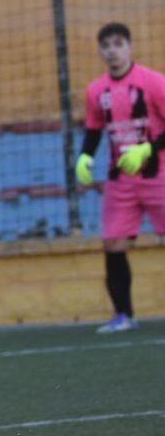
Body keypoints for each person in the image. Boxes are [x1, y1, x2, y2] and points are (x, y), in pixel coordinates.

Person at [74, 22, 165, 333]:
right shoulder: (96, 90)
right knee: (113, 243)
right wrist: (85, 157)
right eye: (106, 45)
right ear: (100, 51)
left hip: (159, 174)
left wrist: (147, 150)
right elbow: (94, 128)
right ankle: (123, 315)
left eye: (118, 44)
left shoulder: (153, 83)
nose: (112, 51)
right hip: (120, 180)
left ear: (129, 47)